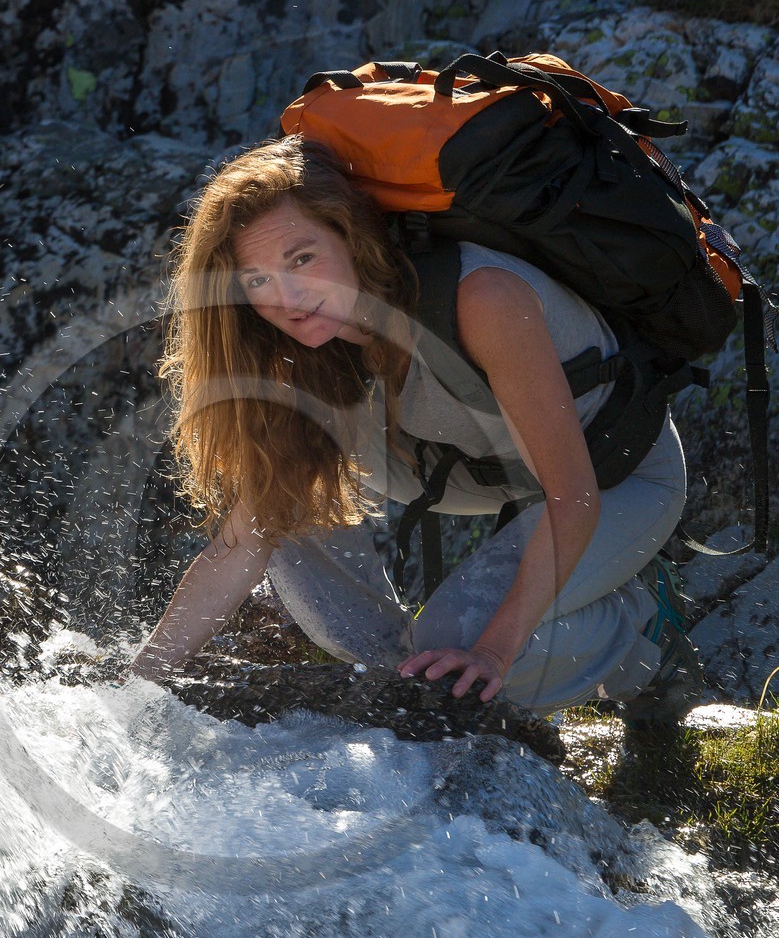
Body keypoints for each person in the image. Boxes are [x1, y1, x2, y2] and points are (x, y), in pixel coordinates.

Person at [128, 135, 702, 720]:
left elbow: (573, 496)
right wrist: (135, 685)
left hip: (608, 477)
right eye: (258, 281)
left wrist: (492, 654)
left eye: (302, 258)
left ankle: (639, 626)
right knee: (287, 519)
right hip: (468, 467)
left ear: (352, 235)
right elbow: (244, 541)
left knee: (465, 662)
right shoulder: (298, 350)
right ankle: (402, 676)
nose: (290, 298)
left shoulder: (483, 299)